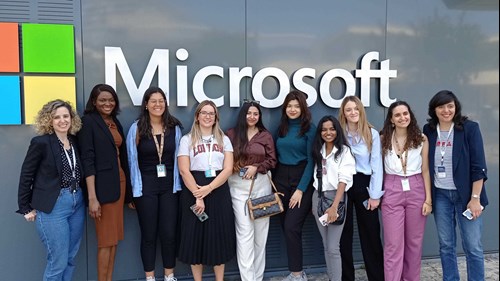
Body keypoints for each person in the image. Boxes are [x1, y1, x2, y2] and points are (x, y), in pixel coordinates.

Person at [423, 90, 488, 281]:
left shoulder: (469, 128)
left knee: (473, 246)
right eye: (441, 106)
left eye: (450, 106)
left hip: (467, 196)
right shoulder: (429, 130)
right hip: (441, 195)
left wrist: (475, 199)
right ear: (434, 110)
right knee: (446, 245)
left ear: (456, 107)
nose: (446, 110)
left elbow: (479, 166)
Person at [17, 100, 85, 281]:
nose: (62, 120)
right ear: (49, 120)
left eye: (66, 116)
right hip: (53, 207)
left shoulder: (74, 140)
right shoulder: (41, 142)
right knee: (58, 261)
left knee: (70, 258)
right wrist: (25, 207)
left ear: (71, 118)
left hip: (77, 202)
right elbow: (26, 175)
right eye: (57, 117)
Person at [126, 87, 183, 281]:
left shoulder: (174, 127)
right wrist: (133, 192)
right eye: (153, 101)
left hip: (170, 187)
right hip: (145, 187)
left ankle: (169, 276)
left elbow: (179, 159)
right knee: (149, 235)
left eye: (161, 101)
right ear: (146, 104)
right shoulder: (137, 128)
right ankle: (150, 277)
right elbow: (131, 161)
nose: (158, 105)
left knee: (169, 234)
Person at [78, 83, 132, 281]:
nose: (107, 103)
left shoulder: (115, 122)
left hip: (119, 184)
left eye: (111, 100)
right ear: (94, 101)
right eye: (102, 100)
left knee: (114, 240)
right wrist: (92, 197)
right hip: (101, 190)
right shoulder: (88, 122)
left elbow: (124, 157)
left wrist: (129, 195)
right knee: (105, 240)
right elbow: (88, 160)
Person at [177, 100, 236, 281]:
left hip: (218, 189)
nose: (207, 116)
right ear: (197, 116)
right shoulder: (187, 139)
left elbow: (228, 169)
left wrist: (209, 189)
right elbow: (184, 170)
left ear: (216, 117)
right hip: (193, 189)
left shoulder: (224, 139)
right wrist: (198, 195)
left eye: (211, 113)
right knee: (195, 238)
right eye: (204, 112)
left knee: (218, 236)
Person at [379, 100, 432, 281]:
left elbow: (425, 170)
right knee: (393, 244)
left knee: (414, 243)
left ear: (410, 115)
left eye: (405, 113)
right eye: (398, 115)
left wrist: (428, 200)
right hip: (392, 187)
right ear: (391, 120)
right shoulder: (383, 139)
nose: (403, 117)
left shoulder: (422, 138)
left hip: (416, 187)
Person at [226, 100, 277, 281]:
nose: (252, 117)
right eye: (249, 113)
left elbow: (272, 161)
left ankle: (258, 277)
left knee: (260, 237)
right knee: (244, 234)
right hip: (238, 188)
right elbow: (224, 159)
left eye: (256, 114)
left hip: (261, 186)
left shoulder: (265, 135)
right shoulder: (231, 135)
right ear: (243, 114)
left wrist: (257, 166)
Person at [338, 96, 385, 281]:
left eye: (356, 109)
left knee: (371, 234)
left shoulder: (371, 133)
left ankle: (377, 277)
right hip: (344, 183)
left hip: (364, 184)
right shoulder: (339, 133)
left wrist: (375, 195)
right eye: (349, 109)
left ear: (361, 111)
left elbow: (377, 166)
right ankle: (346, 277)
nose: (353, 112)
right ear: (343, 112)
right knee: (343, 234)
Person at [274, 90, 316, 281]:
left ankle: (298, 275)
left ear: (303, 108)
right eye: (289, 106)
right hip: (281, 179)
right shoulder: (281, 128)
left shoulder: (310, 129)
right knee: (285, 226)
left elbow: (311, 161)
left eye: (296, 106)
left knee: (292, 226)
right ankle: (296, 271)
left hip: (301, 179)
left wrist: (300, 190)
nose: (292, 109)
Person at [311, 115, 356, 281]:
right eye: (324, 129)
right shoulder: (319, 150)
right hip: (318, 198)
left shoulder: (344, 151)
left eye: (331, 129)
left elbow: (343, 181)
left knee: (333, 247)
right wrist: (314, 203)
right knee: (325, 245)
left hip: (336, 199)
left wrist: (335, 206)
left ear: (337, 130)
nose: (328, 132)